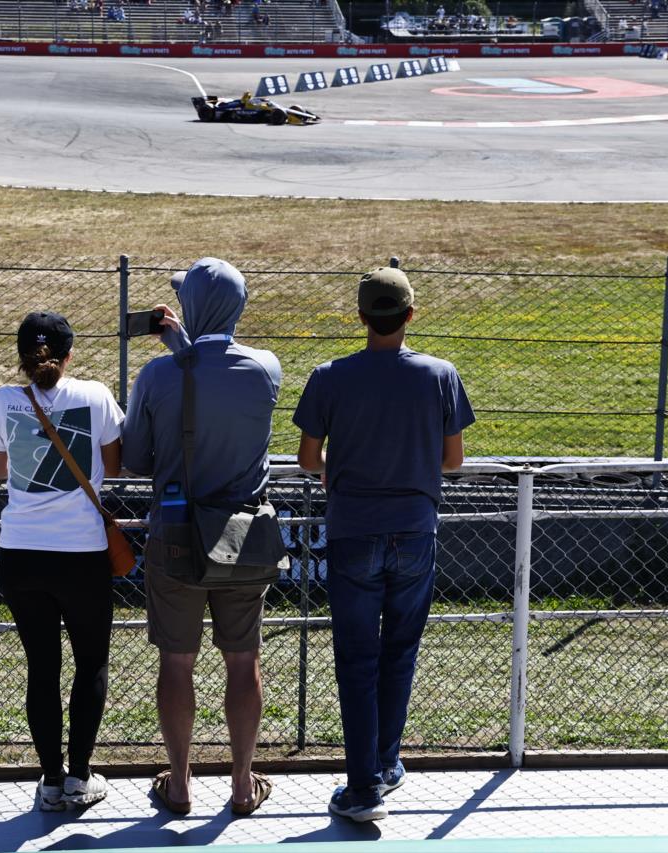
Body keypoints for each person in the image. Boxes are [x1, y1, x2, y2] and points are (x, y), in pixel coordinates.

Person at [293, 266, 474, 823]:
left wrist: (340, 466)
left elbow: (308, 458)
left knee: (356, 659)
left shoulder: (330, 376)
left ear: (361, 317)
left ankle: (363, 787)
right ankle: (386, 764)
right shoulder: (440, 374)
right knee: (400, 650)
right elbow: (453, 461)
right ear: (410, 314)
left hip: (352, 530)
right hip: (415, 528)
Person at [122, 258, 281, 817]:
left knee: (177, 661)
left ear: (188, 308)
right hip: (243, 534)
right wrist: (188, 351)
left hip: (174, 533)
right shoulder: (265, 368)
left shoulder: (158, 375)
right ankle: (241, 784)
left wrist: (180, 355)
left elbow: (137, 458)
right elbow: (222, 377)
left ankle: (181, 784)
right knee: (243, 661)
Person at [0, 312, 124, 812]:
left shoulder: (2, 400)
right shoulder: (96, 396)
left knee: (42, 667)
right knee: (90, 664)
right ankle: (80, 776)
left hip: (22, 553)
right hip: (81, 555)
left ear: (21, 356)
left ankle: (51, 781)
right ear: (69, 354)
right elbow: (113, 467)